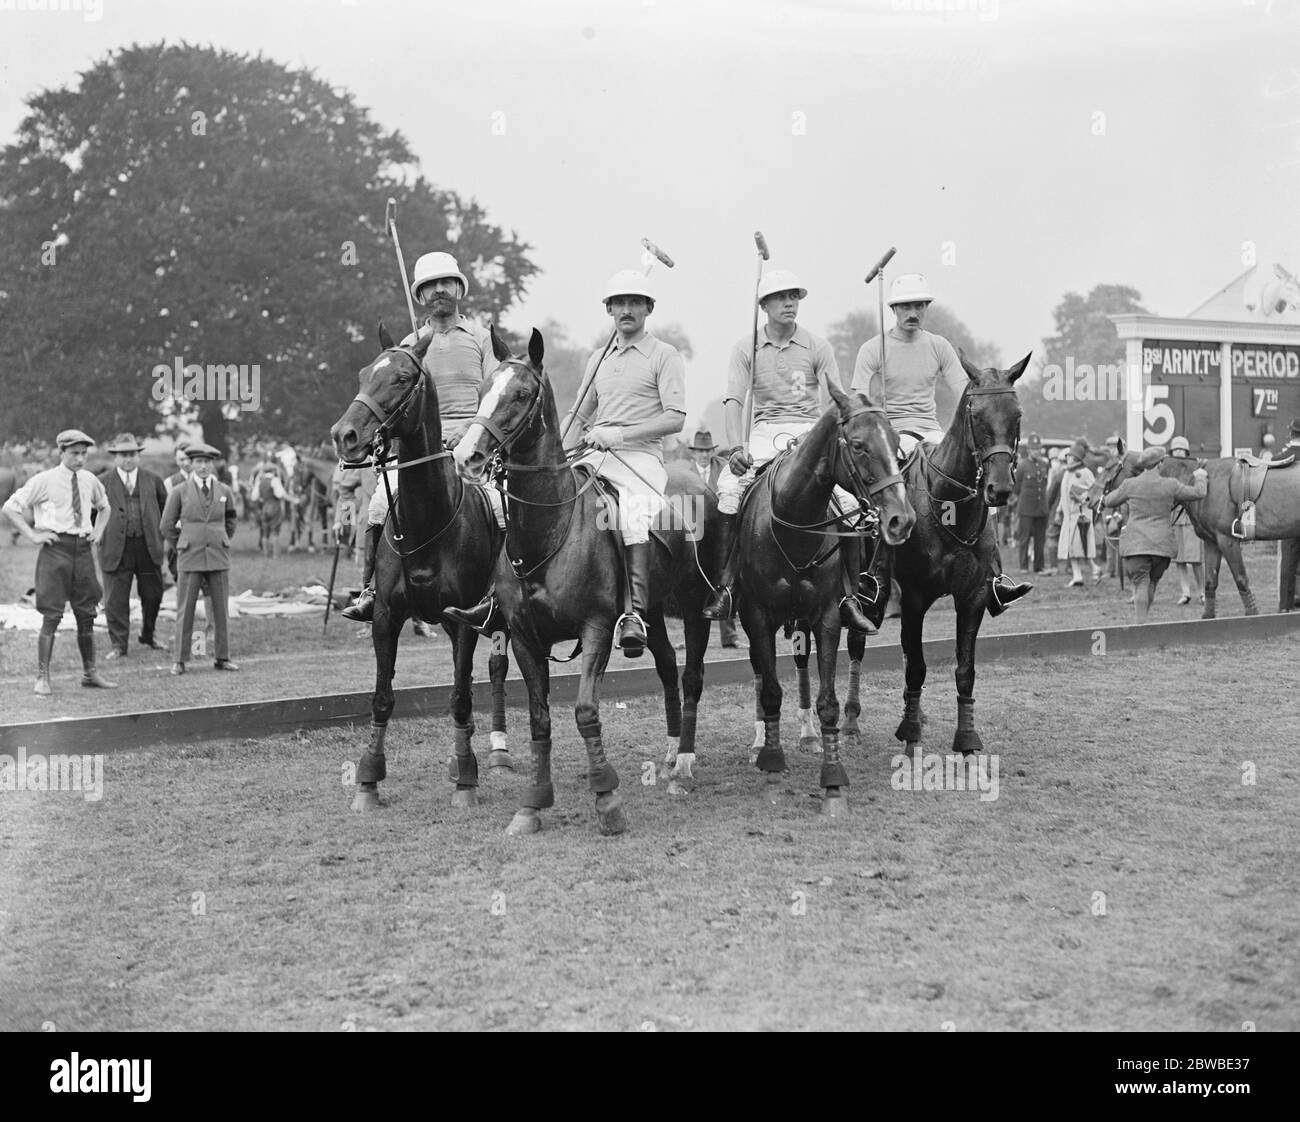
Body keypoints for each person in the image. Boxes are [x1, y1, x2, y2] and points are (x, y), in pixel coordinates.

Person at [701, 267, 873, 631]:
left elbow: (836, 401)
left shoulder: (817, 346)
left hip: (809, 432)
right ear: (764, 304)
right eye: (781, 297)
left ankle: (848, 595)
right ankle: (728, 586)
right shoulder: (744, 347)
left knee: (851, 503)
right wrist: (736, 446)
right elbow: (734, 399)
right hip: (764, 432)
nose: (789, 303)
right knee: (729, 492)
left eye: (794, 297)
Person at [851, 272, 1031, 616]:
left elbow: (968, 394)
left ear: (926, 307)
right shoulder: (873, 349)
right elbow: (858, 394)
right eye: (905, 306)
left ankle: (994, 579)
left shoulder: (938, 346)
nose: (912, 312)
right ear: (893, 308)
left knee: (974, 483)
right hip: (893, 433)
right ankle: (874, 580)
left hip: (930, 430)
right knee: (881, 496)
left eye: (919, 305)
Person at [348, 250, 502, 626]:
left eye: (446, 283)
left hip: (472, 443)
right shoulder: (410, 344)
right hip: (422, 450)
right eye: (430, 286)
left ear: (459, 289)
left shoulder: (482, 338)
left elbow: (494, 394)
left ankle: (498, 592)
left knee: (501, 506)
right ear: (420, 297)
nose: (439, 291)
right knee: (379, 505)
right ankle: (370, 590)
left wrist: (469, 431)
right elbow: (395, 401)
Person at [1, 429, 117, 694]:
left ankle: (90, 673)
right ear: (61, 452)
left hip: (83, 551)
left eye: (83, 454)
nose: (80, 459)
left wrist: (98, 533)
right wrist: (32, 534)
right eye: (74, 453)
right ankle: (43, 677)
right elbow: (10, 506)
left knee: (86, 613)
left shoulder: (89, 479)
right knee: (52, 614)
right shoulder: (45, 480)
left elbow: (105, 507)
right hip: (56, 551)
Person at [1103, 446, 1208, 622]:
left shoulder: (1130, 484)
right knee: (1151, 582)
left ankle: (1141, 626)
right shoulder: (1170, 484)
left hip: (1136, 546)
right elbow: (1199, 492)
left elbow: (1108, 500)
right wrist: (1200, 476)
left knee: (1141, 583)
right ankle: (1144, 623)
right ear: (1160, 464)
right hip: (1162, 548)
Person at [160, 443, 240, 674]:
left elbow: (232, 520)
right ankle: (180, 659)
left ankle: (222, 657)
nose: (203, 466)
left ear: (212, 464)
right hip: (190, 557)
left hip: (218, 556)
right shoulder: (179, 491)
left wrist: (222, 538)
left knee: (220, 609)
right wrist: (182, 544)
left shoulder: (224, 490)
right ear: (191, 464)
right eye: (198, 462)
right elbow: (166, 525)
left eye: (207, 462)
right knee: (185, 609)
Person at [97, 433, 169, 659]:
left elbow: (164, 509)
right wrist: (99, 535)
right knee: (116, 599)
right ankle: (119, 645)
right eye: (123, 455)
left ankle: (148, 634)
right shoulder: (101, 482)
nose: (128, 459)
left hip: (147, 547)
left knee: (153, 594)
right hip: (116, 548)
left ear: (138, 456)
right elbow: (92, 515)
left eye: (132, 454)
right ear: (115, 457)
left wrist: (159, 535)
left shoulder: (153, 480)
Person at [686, 428, 741, 648]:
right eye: (700, 451)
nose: (704, 454)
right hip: (696, 532)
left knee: (723, 579)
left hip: (720, 531)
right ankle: (690, 633)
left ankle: (730, 636)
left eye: (707, 450)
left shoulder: (724, 468)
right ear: (694, 453)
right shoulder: (686, 472)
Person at [1056, 442, 1100, 587]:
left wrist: (1082, 497)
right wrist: (1058, 511)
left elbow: (1094, 491)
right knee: (1072, 548)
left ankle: (1092, 569)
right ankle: (1078, 576)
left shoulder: (1085, 472)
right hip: (1068, 517)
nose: (1068, 458)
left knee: (1080, 547)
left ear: (1076, 458)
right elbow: (1063, 495)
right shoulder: (1067, 473)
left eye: (1070, 456)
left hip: (1081, 516)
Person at [1167, 436, 1204, 604]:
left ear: (1187, 451)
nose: (1178, 452)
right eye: (1175, 449)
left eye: (1181, 449)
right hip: (1175, 517)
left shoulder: (1194, 468)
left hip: (1190, 518)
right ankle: (1185, 592)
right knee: (1179, 558)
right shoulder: (1168, 471)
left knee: (1196, 558)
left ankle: (1203, 592)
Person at [1013, 432, 1050, 574]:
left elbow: (1044, 484)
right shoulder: (1022, 466)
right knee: (1024, 539)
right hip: (1026, 508)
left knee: (1040, 540)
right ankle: (1023, 566)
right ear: (1028, 450)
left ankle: (1039, 566)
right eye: (1033, 449)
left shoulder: (1044, 464)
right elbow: (1016, 488)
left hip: (1041, 508)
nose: (1036, 451)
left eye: (1038, 448)